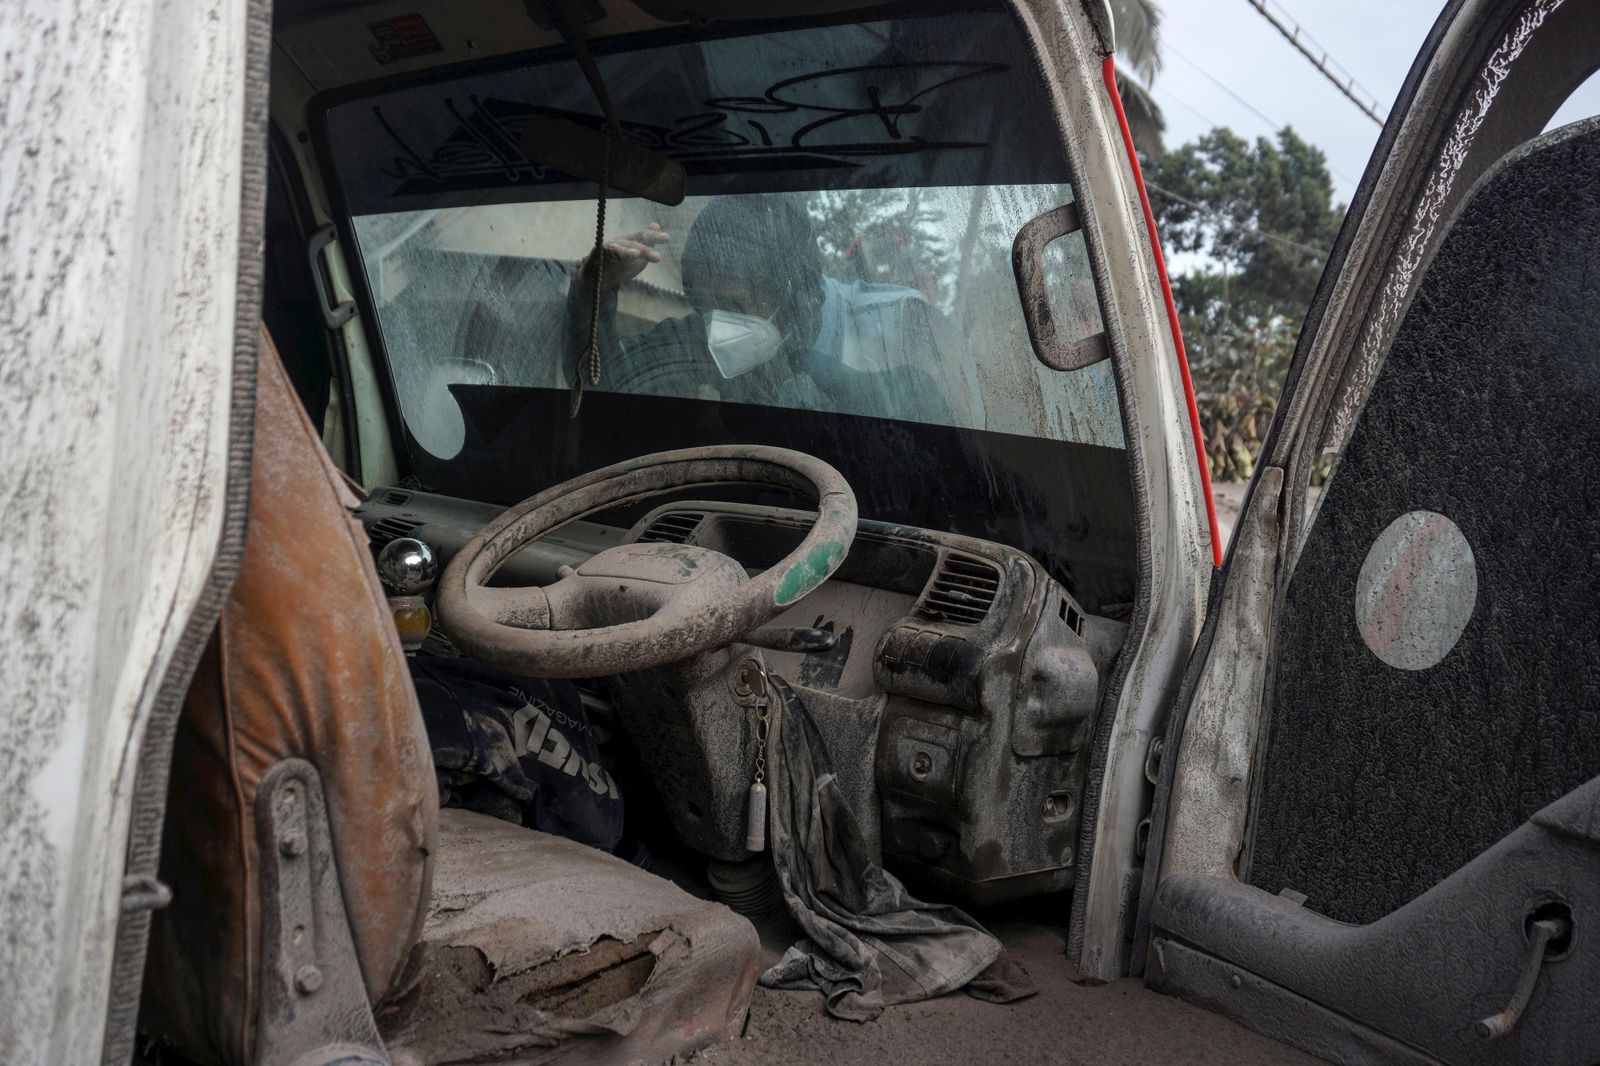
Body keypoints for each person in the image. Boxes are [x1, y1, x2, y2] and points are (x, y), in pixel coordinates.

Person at [566, 194, 962, 424]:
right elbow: (602, 387)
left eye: (735, 303)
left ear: (789, 298)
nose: (715, 322)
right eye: (705, 304)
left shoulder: (898, 345)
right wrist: (595, 289)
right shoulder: (700, 339)